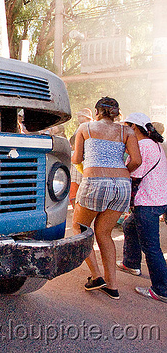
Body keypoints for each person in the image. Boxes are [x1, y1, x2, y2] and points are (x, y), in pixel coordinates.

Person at [72, 97, 141, 300]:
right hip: (121, 185)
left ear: (97, 112)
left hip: (95, 182)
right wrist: (121, 172)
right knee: (104, 233)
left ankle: (96, 277)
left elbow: (76, 159)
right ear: (116, 113)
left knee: (79, 228)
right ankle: (112, 286)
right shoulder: (126, 131)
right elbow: (136, 160)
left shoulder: (86, 128)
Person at [116, 113, 167, 303]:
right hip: (159, 198)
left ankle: (162, 289)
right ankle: (131, 263)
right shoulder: (155, 144)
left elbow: (135, 170)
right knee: (129, 225)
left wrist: (122, 170)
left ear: (134, 127)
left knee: (151, 247)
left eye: (126, 126)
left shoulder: (142, 145)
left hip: (148, 201)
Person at [69, 108, 93, 208]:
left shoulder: (91, 127)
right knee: (75, 187)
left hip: (85, 160)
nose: (78, 118)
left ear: (86, 117)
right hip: (78, 161)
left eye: (81, 116)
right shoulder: (81, 127)